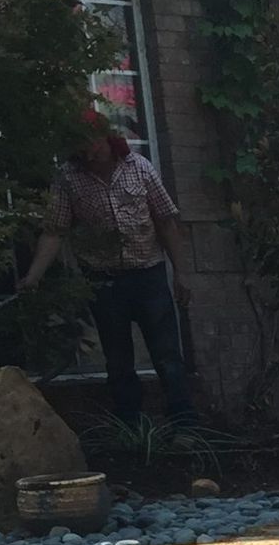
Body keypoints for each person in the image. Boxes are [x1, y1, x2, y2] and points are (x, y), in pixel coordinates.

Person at [20, 113, 195, 426]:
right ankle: (130, 424)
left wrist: (181, 272)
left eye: (93, 143)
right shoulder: (68, 178)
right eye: (81, 145)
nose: (89, 152)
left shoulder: (139, 168)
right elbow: (55, 231)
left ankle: (184, 422)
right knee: (118, 359)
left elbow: (166, 221)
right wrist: (34, 276)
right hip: (103, 281)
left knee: (167, 353)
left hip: (148, 274)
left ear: (107, 139)